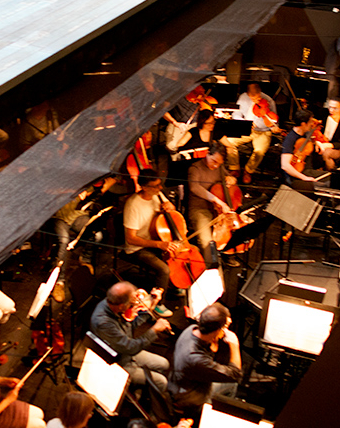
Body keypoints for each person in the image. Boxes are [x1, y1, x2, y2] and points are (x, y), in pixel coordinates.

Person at [90, 281, 172, 393]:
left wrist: (152, 303)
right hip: (117, 362)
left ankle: (145, 389)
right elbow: (130, 347)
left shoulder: (115, 304)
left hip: (126, 352)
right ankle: (154, 405)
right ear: (121, 306)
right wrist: (154, 330)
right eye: (131, 304)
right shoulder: (104, 324)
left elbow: (132, 324)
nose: (134, 306)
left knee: (164, 364)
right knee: (161, 381)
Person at [122, 169, 180, 312]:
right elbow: (130, 239)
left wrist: (170, 207)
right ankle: (157, 304)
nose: (160, 188)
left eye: (160, 184)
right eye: (155, 186)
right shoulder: (133, 205)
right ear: (145, 187)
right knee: (163, 269)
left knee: (177, 253)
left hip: (155, 239)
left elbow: (170, 208)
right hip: (137, 248)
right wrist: (158, 244)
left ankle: (172, 285)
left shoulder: (157, 194)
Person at [168, 303, 242, 411]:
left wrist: (216, 335)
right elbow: (235, 374)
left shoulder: (192, 329)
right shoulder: (196, 359)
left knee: (228, 383)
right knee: (232, 384)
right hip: (189, 399)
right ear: (217, 330)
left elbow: (211, 351)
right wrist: (234, 344)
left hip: (181, 382)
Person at [50, 187, 103, 302]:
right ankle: (59, 282)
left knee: (97, 235)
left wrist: (89, 192)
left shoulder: (83, 177)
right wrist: (70, 191)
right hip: (59, 216)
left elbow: (98, 187)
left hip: (77, 215)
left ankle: (85, 259)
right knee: (64, 241)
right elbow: (47, 191)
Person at [222, 82, 280, 184]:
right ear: (248, 94)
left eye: (257, 97)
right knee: (229, 142)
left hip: (263, 131)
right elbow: (236, 114)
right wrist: (243, 122)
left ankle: (248, 170)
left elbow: (274, 120)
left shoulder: (269, 101)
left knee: (260, 151)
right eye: (252, 97)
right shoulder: (243, 98)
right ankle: (234, 167)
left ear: (260, 93)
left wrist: (274, 127)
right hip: (245, 128)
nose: (255, 100)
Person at [186, 144, 236, 255]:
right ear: (208, 154)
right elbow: (194, 187)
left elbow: (229, 178)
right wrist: (217, 201)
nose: (216, 166)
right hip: (199, 210)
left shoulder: (219, 168)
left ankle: (227, 256)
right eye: (214, 161)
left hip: (218, 211)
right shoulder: (195, 168)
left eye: (219, 163)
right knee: (207, 242)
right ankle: (212, 267)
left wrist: (231, 179)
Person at [280, 109, 320, 188]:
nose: (312, 124)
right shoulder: (290, 139)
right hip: (296, 176)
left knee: (330, 179)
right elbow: (285, 165)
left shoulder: (306, 134)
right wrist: (304, 178)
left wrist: (317, 143)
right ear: (303, 124)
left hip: (307, 170)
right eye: (310, 122)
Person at [315, 98, 340, 170]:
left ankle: (330, 173)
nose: (331, 110)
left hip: (337, 148)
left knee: (327, 153)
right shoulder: (324, 116)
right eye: (330, 107)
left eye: (335, 108)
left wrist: (328, 145)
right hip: (321, 143)